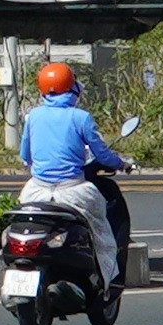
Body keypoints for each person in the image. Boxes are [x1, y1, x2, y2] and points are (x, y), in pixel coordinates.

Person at [18, 61, 131, 288]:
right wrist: (121, 163)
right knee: (103, 233)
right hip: (74, 191)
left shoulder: (34, 117)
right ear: (72, 86)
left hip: (35, 191)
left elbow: (25, 156)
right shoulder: (81, 118)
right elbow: (102, 154)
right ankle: (108, 280)